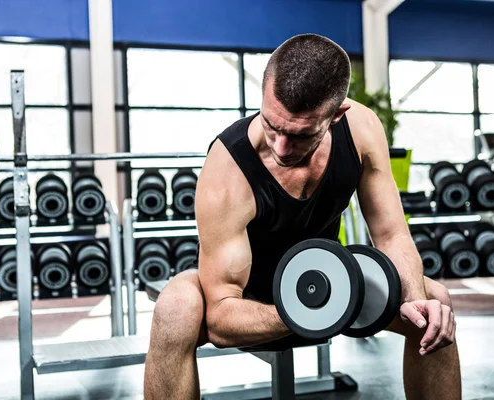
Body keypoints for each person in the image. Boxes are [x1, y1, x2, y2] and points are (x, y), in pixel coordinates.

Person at [144, 34, 461, 400]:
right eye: (271, 125)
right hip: (250, 300)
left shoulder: (361, 129)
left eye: (299, 135)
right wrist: (307, 310)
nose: (280, 148)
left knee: (433, 304)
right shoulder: (227, 170)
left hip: (333, 283)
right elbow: (219, 317)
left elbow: (390, 234)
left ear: (337, 114)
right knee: (175, 307)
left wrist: (413, 300)